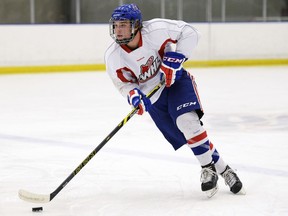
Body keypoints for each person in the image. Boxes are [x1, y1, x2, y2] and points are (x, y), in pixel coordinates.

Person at [104, 3, 245, 198]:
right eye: (116, 26)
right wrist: (133, 95)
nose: (118, 30)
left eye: (123, 25)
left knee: (188, 123)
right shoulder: (114, 57)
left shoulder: (156, 30)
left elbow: (190, 32)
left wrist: (177, 58)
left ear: (136, 25)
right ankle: (224, 169)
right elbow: (123, 83)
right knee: (192, 136)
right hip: (153, 98)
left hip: (175, 83)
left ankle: (207, 168)